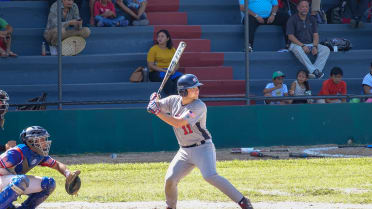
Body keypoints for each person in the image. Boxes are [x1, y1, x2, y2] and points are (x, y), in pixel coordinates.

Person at [146, 74, 254, 209]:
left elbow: (179, 123)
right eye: (193, 88)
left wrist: (157, 112)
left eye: (197, 87)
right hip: (184, 151)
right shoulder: (173, 101)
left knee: (210, 176)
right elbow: (157, 105)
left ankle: (243, 201)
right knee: (170, 179)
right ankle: (170, 206)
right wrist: (153, 101)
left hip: (202, 148)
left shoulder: (199, 106)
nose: (197, 90)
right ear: (183, 91)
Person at [0, 126, 80, 209]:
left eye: (45, 139)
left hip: (12, 181)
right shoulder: (16, 152)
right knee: (21, 180)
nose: (45, 142)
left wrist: (67, 173)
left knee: (49, 183)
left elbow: (57, 165)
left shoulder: (39, 154)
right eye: (41, 139)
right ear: (30, 141)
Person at [287, 0, 330, 79]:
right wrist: (302, 45)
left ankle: (315, 72)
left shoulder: (312, 19)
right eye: (302, 7)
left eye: (306, 7)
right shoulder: (292, 19)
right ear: (298, 8)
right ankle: (314, 71)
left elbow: (316, 35)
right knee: (297, 49)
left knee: (326, 49)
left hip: (310, 44)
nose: (305, 8)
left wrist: (315, 46)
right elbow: (290, 36)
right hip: (296, 44)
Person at [147, 30, 183, 96]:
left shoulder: (172, 49)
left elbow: (177, 64)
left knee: (181, 77)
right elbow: (150, 65)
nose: (159, 38)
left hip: (169, 71)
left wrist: (173, 70)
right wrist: (164, 70)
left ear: (167, 38)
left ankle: (176, 96)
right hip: (156, 72)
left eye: (162, 36)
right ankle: (171, 96)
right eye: (158, 36)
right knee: (166, 77)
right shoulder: (153, 49)